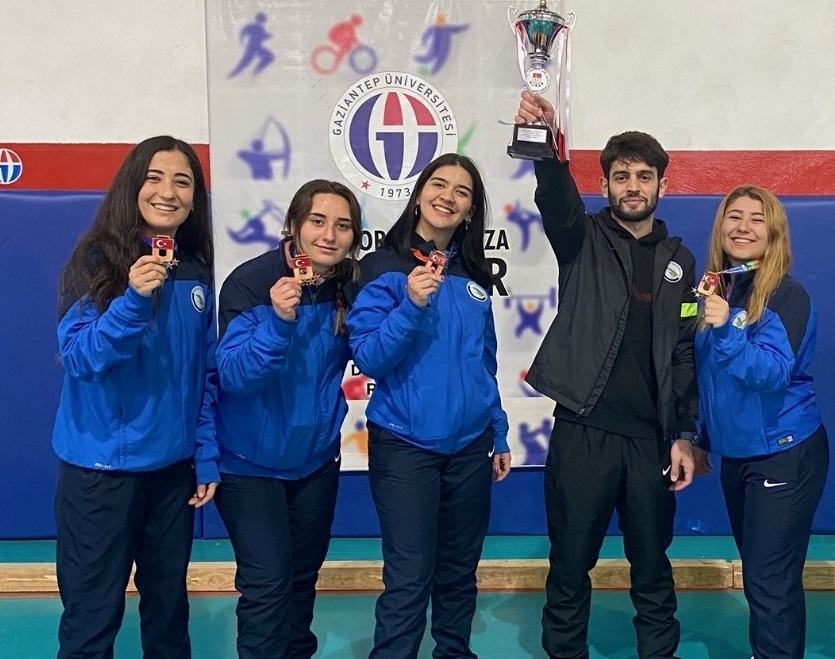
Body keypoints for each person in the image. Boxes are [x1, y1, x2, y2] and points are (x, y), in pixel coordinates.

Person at [515, 91, 699, 659]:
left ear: (662, 185)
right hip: (584, 430)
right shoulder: (581, 238)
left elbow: (684, 354)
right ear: (605, 186)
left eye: (644, 176)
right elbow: (555, 198)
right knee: (570, 565)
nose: (633, 186)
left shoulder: (681, 261)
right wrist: (547, 145)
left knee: (653, 567)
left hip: (650, 441)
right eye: (622, 177)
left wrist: (684, 435)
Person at [52, 135, 218, 658]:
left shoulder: (194, 267)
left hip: (171, 474)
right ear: (133, 185)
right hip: (100, 473)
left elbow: (204, 374)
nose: (168, 192)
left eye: (182, 182)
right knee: (91, 619)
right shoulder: (97, 259)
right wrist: (133, 301)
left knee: (168, 617)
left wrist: (205, 454)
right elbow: (81, 358)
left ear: (193, 199)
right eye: (155, 178)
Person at [346, 153, 512, 659]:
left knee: (459, 572)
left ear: (470, 210)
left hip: (470, 447)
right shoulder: (383, 267)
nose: (448, 197)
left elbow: (483, 362)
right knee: (409, 576)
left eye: (462, 192)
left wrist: (499, 429)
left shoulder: (473, 272)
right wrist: (412, 305)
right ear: (419, 194)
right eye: (439, 185)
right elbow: (368, 356)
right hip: (405, 446)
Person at [214, 179, 363, 658]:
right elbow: (235, 376)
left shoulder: (350, 285)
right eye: (317, 221)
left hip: (315, 463)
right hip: (248, 465)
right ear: (294, 225)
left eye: (343, 226)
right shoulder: (252, 282)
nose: (329, 235)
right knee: (268, 586)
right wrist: (279, 322)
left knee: (301, 582)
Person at [689, 185, 827, 659]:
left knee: (770, 579)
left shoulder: (787, 294)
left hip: (783, 451)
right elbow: (709, 375)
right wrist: (702, 436)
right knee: (761, 575)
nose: (743, 227)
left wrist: (727, 327)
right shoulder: (721, 288)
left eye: (756, 219)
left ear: (774, 233)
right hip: (739, 453)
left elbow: (771, 374)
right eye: (734, 216)